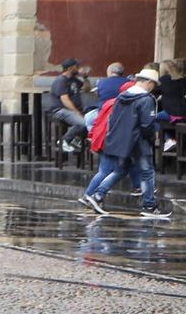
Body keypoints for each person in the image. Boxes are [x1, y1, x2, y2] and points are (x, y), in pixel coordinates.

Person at [79, 66, 172, 220]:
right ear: (148, 82)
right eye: (154, 84)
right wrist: (150, 139)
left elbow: (114, 119)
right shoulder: (147, 99)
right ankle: (149, 206)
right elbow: (147, 125)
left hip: (122, 140)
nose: (154, 88)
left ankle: (97, 196)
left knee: (120, 170)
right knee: (147, 173)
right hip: (139, 141)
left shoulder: (122, 96)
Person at [48, 58, 88, 151]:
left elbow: (87, 89)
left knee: (92, 121)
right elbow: (65, 100)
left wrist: (85, 77)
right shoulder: (61, 80)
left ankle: (75, 139)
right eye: (76, 66)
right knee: (82, 123)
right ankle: (64, 141)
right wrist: (77, 112)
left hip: (74, 109)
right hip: (61, 109)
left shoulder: (74, 79)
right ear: (70, 68)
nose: (78, 68)